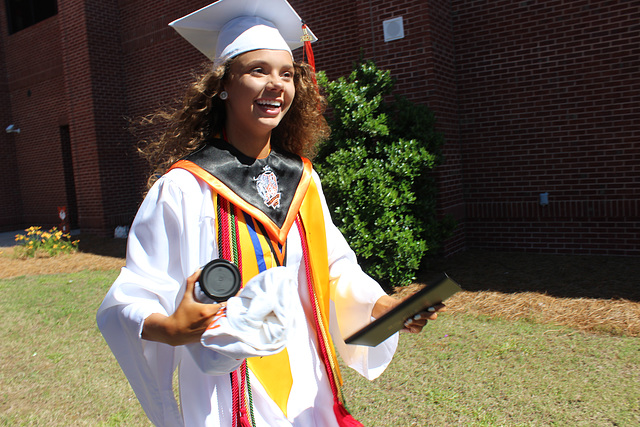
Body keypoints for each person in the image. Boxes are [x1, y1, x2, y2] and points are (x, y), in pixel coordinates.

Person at [96, 1, 445, 426]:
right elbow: (129, 298)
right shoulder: (185, 187)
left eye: (286, 73)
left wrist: (383, 307)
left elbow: (333, 268)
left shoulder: (302, 179)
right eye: (258, 70)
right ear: (223, 85)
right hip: (227, 383)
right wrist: (169, 328)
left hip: (306, 373)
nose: (276, 84)